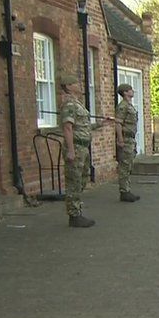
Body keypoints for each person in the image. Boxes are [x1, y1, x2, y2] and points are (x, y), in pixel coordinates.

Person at [57, 73, 113, 227]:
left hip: (83, 147)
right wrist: (70, 150)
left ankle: (76, 209)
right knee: (74, 181)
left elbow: (83, 126)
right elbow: (68, 128)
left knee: (81, 179)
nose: (79, 85)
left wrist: (100, 124)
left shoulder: (77, 104)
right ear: (68, 86)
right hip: (75, 147)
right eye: (76, 83)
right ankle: (74, 215)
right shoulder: (69, 105)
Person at [114, 83, 140, 203]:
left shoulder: (129, 105)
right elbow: (118, 123)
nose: (132, 91)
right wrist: (120, 139)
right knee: (124, 165)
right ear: (125, 92)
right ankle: (124, 191)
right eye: (130, 89)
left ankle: (127, 189)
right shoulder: (122, 106)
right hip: (125, 138)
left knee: (128, 165)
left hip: (131, 138)